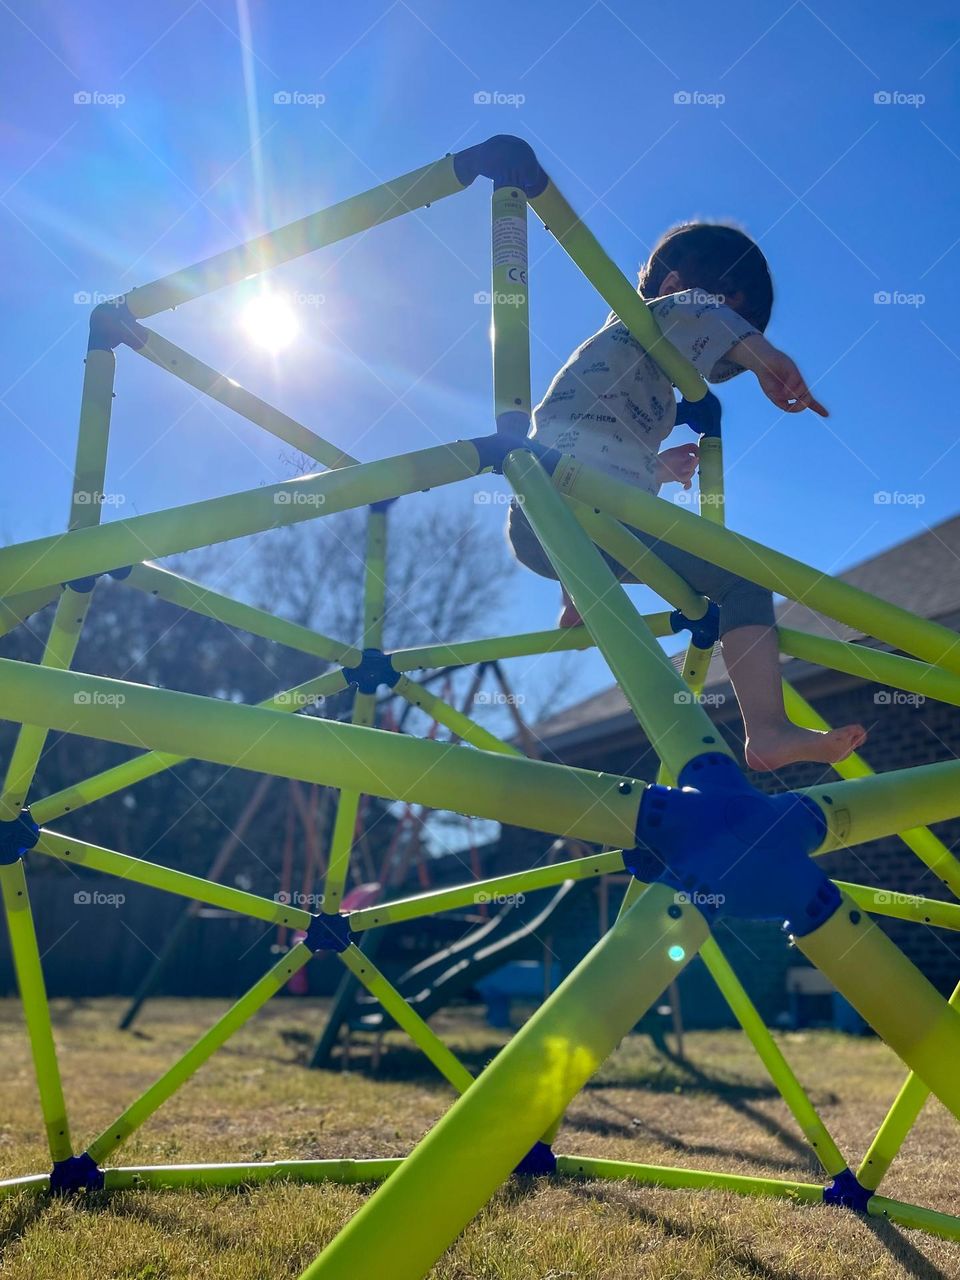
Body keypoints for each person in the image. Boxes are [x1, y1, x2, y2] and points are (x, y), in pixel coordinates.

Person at [507, 222, 866, 772]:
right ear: (675, 287)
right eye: (724, 329)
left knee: (589, 493)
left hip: (548, 520)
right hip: (573, 512)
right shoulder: (648, 318)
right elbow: (695, 312)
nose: (705, 360)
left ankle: (575, 595)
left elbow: (592, 442)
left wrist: (656, 467)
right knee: (742, 580)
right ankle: (767, 730)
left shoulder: (623, 365)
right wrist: (764, 356)